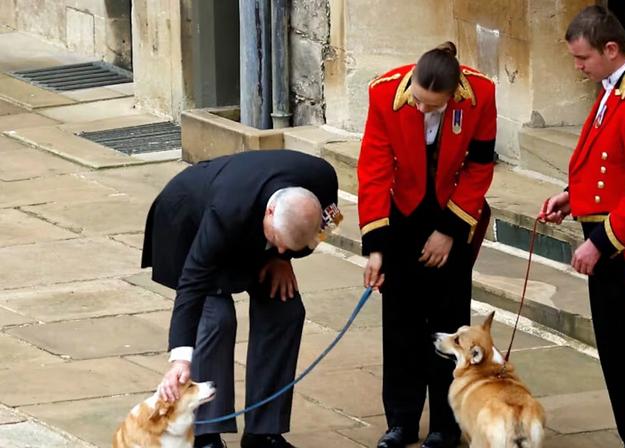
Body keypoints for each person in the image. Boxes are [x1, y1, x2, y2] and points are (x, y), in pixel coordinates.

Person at [538, 6, 625, 447]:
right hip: (614, 248)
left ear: (612, 49)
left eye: (583, 59)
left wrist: (599, 242)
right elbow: (608, 162)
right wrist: (573, 196)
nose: (578, 68)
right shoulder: (616, 86)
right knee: (616, 362)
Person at [142, 149, 342, 448]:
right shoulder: (226, 210)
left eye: (289, 247)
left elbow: (328, 225)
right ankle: (205, 433)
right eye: (279, 243)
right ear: (270, 213)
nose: (284, 250)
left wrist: (281, 257)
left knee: (286, 310)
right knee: (216, 318)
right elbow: (193, 284)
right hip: (188, 225)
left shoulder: (323, 179)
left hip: (255, 236)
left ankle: (264, 431)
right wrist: (181, 359)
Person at [357, 42, 497, 448]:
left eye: (432, 106)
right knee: (400, 322)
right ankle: (400, 421)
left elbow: (480, 164)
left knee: (448, 323)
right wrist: (376, 247)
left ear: (453, 96)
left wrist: (450, 229)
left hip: (451, 211)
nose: (421, 110)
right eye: (417, 100)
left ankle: (445, 425)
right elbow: (374, 168)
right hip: (401, 214)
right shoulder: (384, 93)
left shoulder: (481, 94)